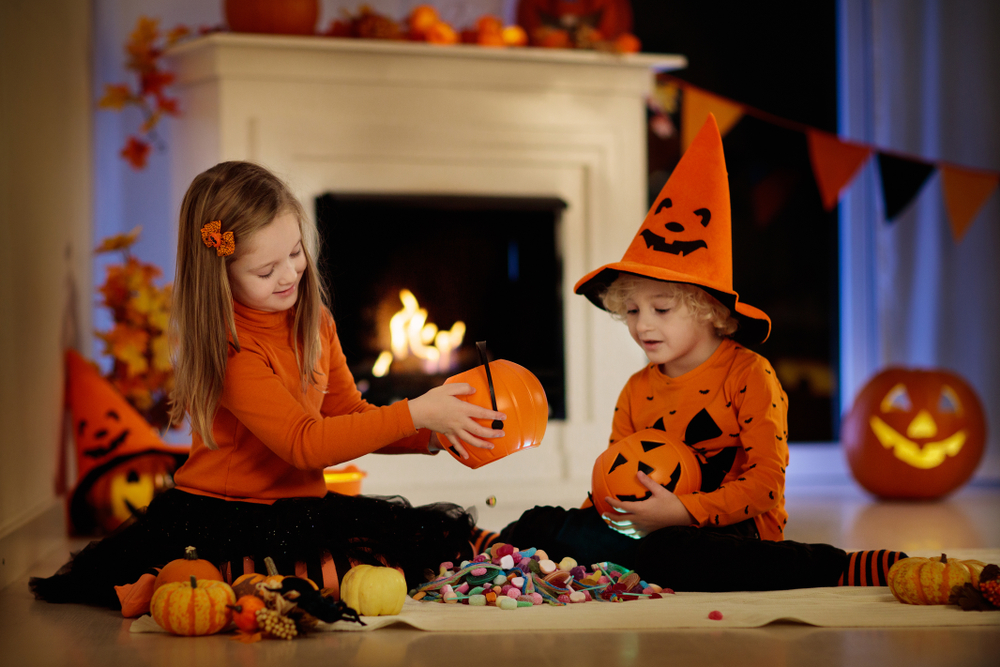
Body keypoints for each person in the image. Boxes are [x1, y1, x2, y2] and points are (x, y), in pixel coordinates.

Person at [31, 161, 506, 609]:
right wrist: (417, 411)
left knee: (435, 546)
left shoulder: (315, 321)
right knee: (322, 582)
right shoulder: (231, 350)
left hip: (302, 507)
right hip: (225, 515)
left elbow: (347, 414)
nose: (290, 274)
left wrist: (434, 436)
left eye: (296, 252)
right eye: (266, 270)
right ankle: (170, 579)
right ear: (221, 274)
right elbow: (304, 444)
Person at [482, 115, 906, 591]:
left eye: (661, 309)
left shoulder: (749, 374)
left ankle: (836, 566)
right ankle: (491, 549)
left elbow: (765, 484)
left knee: (674, 553)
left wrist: (683, 511)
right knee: (545, 523)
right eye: (633, 310)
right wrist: (602, 519)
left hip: (730, 529)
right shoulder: (638, 388)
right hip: (643, 525)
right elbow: (612, 473)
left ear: (707, 310)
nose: (643, 324)